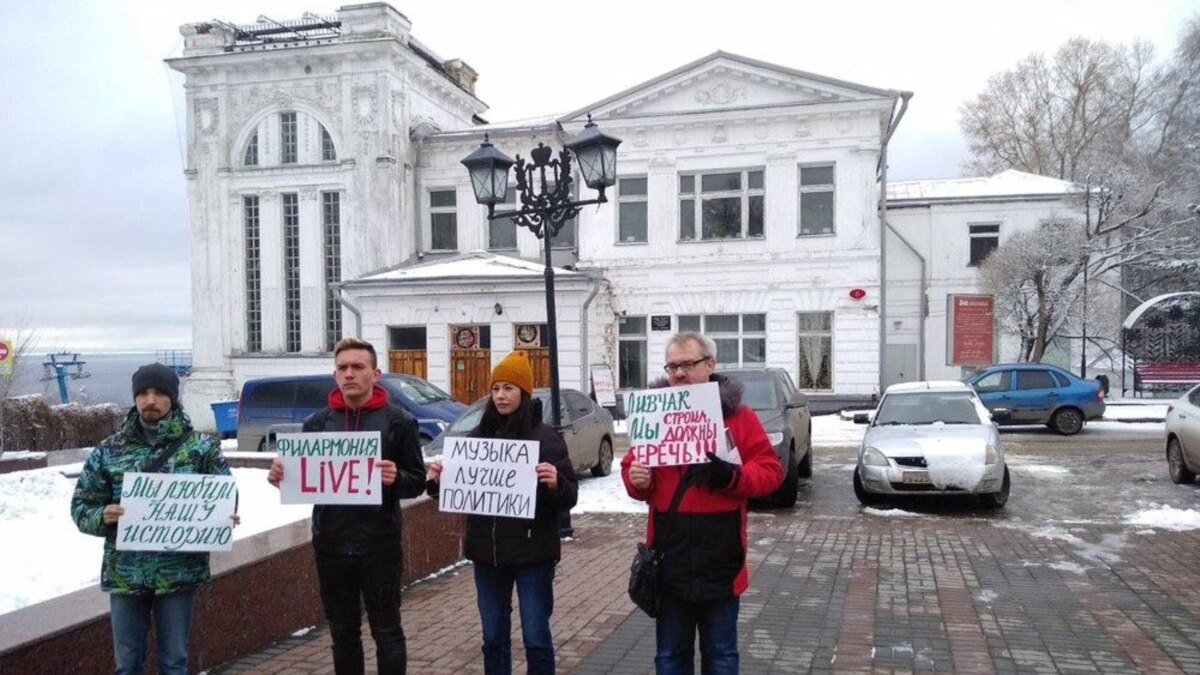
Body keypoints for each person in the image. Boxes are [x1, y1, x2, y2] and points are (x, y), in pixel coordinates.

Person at [621, 332, 783, 674]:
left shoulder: (739, 417)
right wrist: (638, 481)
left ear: (710, 365)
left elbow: (770, 472)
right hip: (669, 567)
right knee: (670, 659)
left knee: (721, 657)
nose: (679, 373)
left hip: (720, 568)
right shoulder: (656, 416)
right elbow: (634, 469)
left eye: (688, 364)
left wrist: (730, 477)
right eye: (673, 366)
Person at [267, 337, 426, 675]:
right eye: (343, 368)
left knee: (387, 631)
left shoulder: (399, 422)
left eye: (358, 367)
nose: (349, 373)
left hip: (379, 545)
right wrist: (282, 475)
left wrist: (397, 477)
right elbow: (304, 481)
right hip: (332, 545)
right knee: (342, 633)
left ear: (375, 373)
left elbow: (417, 480)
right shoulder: (316, 425)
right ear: (334, 374)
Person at [71, 363, 238, 675]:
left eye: (159, 393)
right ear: (134, 398)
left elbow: (224, 495)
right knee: (127, 664)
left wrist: (223, 517)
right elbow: (81, 506)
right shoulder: (109, 450)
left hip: (177, 573)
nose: (150, 400)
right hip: (125, 574)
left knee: (174, 663)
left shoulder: (200, 448)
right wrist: (102, 516)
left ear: (172, 398)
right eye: (144, 393)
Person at [425, 350, 579, 675]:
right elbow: (462, 488)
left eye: (509, 388)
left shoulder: (545, 438)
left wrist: (555, 483)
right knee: (493, 638)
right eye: (496, 388)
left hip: (533, 556)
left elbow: (570, 497)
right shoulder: (480, 436)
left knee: (536, 638)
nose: (500, 395)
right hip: (488, 555)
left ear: (523, 392)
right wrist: (440, 481)